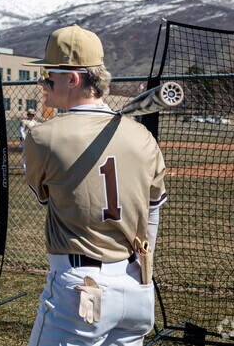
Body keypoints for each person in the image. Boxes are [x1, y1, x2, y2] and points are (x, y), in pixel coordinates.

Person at [23, 25, 167, 346]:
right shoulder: (142, 136)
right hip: (136, 288)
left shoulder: (43, 136)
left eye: (50, 76)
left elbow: (45, 198)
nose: (43, 83)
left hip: (80, 291)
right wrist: (145, 268)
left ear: (73, 79)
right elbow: (153, 210)